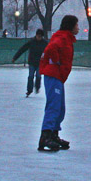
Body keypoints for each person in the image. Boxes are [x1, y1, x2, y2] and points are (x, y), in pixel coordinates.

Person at [38, 15, 78, 152]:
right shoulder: (61, 38)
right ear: (71, 26)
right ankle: (45, 136)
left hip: (58, 77)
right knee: (54, 106)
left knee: (60, 108)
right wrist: (56, 62)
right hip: (53, 75)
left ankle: (54, 134)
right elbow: (50, 49)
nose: (78, 28)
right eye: (76, 25)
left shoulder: (67, 38)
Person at [12, 29, 48, 97]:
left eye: (40, 36)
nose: (39, 38)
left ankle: (37, 87)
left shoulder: (45, 43)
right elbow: (22, 49)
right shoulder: (32, 42)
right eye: (38, 36)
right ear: (36, 35)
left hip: (40, 63)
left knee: (38, 76)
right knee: (30, 76)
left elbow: (50, 52)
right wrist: (15, 57)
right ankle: (29, 90)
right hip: (32, 62)